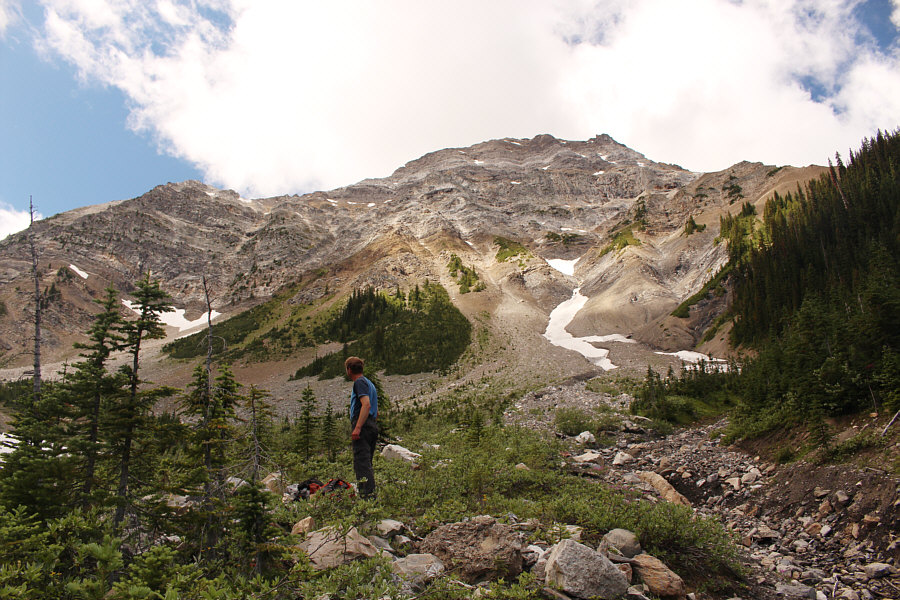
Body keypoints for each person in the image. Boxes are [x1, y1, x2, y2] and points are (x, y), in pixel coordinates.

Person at [345, 356, 378, 498]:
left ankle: (368, 499)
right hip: (371, 424)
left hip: (363, 425)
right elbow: (375, 410)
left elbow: (366, 404)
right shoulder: (370, 384)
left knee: (362, 463)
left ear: (349, 370)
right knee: (367, 462)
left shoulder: (359, 382)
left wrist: (358, 427)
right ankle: (370, 496)